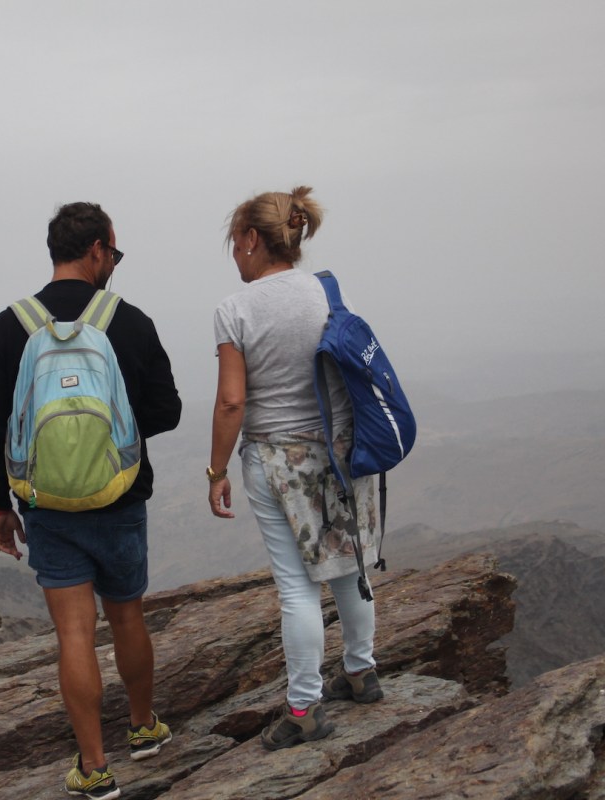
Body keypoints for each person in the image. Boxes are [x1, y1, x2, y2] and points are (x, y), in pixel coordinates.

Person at [0, 202, 182, 800]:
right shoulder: (131, 322)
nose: (114, 263)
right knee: (127, 616)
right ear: (96, 250)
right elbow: (166, 411)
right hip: (120, 498)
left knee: (74, 633)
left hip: (47, 506)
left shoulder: (9, 326)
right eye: (114, 253)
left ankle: (93, 768)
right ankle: (143, 728)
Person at [207, 186, 383, 751]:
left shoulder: (235, 310)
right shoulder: (328, 292)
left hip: (277, 460)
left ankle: (304, 709)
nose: (234, 254)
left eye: (235, 242)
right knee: (350, 566)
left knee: (298, 588)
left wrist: (215, 472)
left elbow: (232, 402)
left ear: (251, 239)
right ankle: (361, 672)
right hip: (343, 451)